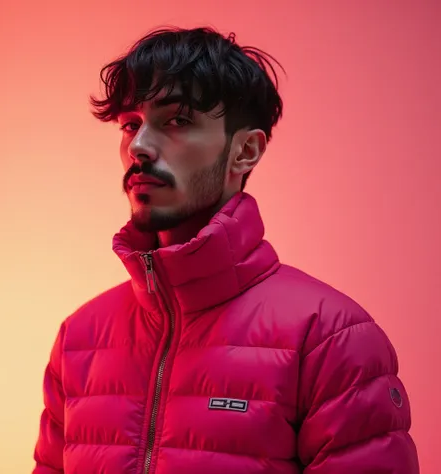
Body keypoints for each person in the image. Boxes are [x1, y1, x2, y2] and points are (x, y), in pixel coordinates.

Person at [32, 26, 419, 473]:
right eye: (131, 125)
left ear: (245, 151)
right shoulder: (80, 340)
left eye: (176, 120)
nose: (139, 146)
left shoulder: (330, 338)